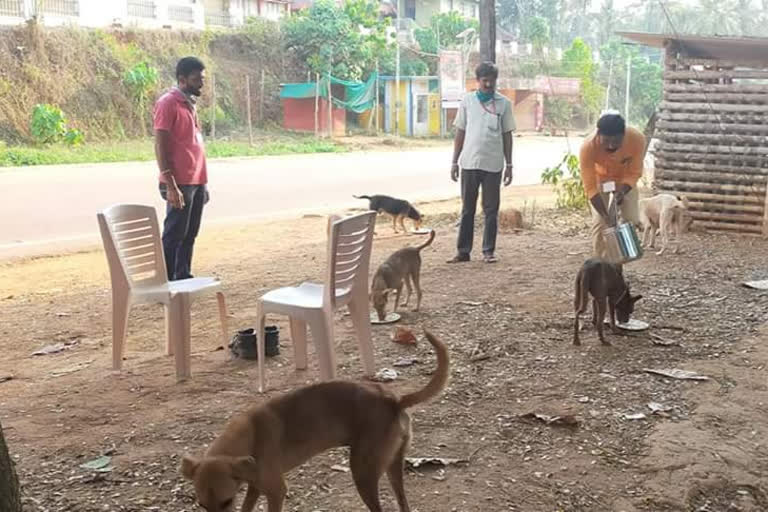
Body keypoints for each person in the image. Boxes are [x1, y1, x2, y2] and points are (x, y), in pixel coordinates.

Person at [447, 61, 515, 264]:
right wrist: (454, 162)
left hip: (493, 164)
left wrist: (509, 164)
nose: (488, 85)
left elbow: (507, 135)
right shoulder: (467, 101)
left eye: (492, 81)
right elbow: (460, 131)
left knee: (491, 210)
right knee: (467, 209)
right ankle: (463, 251)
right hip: (469, 162)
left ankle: (488, 251)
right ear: (477, 81)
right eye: (484, 81)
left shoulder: (504, 104)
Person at [153, 56, 208, 281]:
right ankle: (165, 282)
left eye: (202, 78)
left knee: (190, 234)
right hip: (179, 181)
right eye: (196, 79)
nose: (201, 84)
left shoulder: (188, 103)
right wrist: (170, 184)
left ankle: (183, 276)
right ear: (182, 80)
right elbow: (160, 144)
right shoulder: (168, 103)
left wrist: (203, 182)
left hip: (196, 180)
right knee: (174, 234)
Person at [579, 112, 646, 258]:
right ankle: (600, 263)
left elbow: (634, 172)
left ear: (624, 135)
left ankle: (621, 260)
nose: (611, 146)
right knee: (600, 224)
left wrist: (622, 192)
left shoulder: (637, 139)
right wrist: (605, 216)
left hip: (625, 180)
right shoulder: (587, 147)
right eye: (606, 141)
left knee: (631, 220)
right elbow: (591, 188)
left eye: (616, 142)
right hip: (601, 180)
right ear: (598, 134)